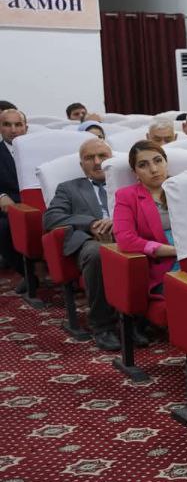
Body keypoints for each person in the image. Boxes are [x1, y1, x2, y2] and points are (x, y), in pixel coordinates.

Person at [42, 138, 120, 350]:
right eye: (89, 158)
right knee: (97, 253)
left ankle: (135, 322)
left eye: (102, 156)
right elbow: (51, 218)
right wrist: (91, 223)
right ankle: (102, 325)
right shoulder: (69, 188)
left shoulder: (127, 182)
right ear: (81, 164)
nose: (97, 162)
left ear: (112, 159)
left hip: (126, 235)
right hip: (90, 241)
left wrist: (119, 222)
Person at [113, 141, 177, 296]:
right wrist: (174, 251)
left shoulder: (182, 187)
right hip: (163, 267)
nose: (154, 169)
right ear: (135, 172)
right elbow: (126, 240)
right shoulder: (126, 196)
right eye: (143, 165)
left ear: (166, 162)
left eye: (158, 161)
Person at [0, 109, 27, 272]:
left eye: (18, 124)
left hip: (41, 204)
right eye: (7, 125)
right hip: (9, 206)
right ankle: (26, 273)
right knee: (3, 228)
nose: (13, 130)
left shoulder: (38, 150)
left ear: (26, 127)